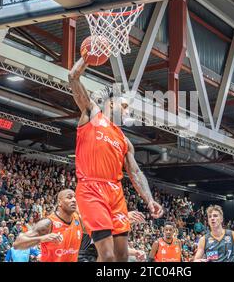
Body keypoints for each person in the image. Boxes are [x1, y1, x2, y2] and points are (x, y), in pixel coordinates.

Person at [68, 57, 163, 262]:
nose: (128, 111)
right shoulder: (92, 115)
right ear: (112, 102)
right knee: (108, 256)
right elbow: (73, 77)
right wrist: (86, 57)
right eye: (125, 105)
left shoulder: (124, 140)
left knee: (121, 256)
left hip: (115, 192)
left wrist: (149, 199)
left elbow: (135, 173)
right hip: (91, 188)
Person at [13, 189, 83, 262]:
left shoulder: (78, 219)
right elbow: (17, 244)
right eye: (69, 197)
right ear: (59, 202)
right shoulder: (48, 223)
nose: (74, 200)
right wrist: (42, 238)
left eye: (75, 197)